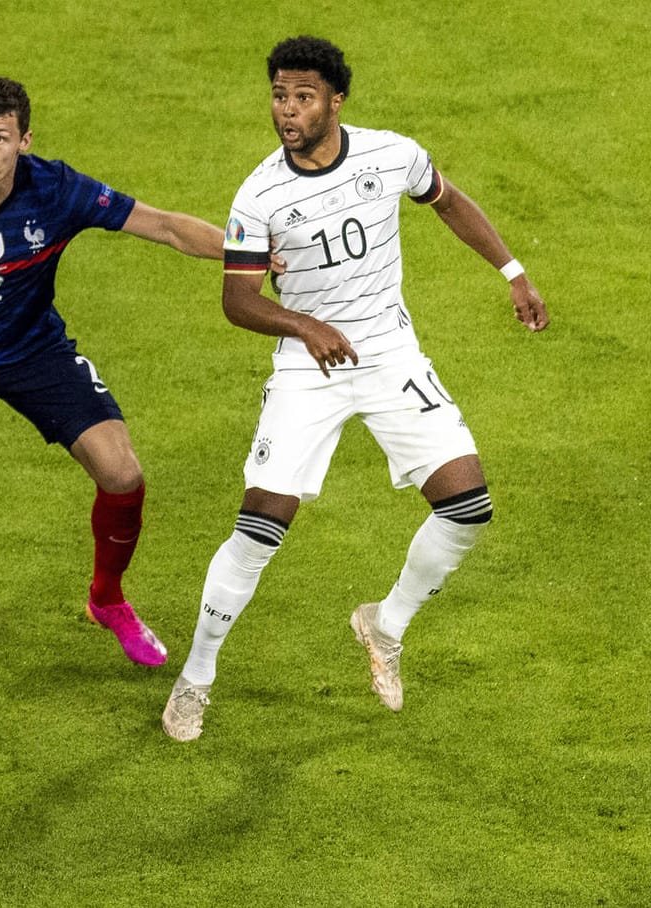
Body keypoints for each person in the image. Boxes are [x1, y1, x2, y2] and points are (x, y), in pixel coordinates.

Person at [161, 36, 549, 742]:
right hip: (308, 369)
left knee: (467, 504)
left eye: (303, 96)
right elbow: (238, 300)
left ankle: (385, 623)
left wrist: (513, 273)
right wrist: (304, 325)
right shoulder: (259, 195)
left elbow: (449, 200)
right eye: (279, 95)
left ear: (336, 101)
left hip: (389, 353)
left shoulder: (390, 154)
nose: (287, 110)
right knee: (261, 525)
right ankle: (196, 677)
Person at [0, 76, 228, 694]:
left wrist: (246, 251)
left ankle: (106, 599)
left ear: (23, 141)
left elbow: (162, 226)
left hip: (34, 351)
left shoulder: (57, 189)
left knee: (123, 472)